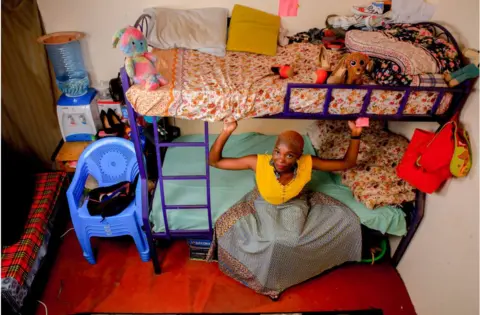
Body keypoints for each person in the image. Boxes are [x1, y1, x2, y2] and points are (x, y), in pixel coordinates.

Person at [206, 120, 364, 300]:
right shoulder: (257, 162)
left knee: (295, 239)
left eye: (289, 155)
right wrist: (227, 131)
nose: (281, 160)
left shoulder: (308, 163)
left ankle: (282, 278)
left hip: (295, 204)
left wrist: (356, 134)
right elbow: (214, 161)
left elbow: (348, 162)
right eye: (277, 152)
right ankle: (266, 282)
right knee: (272, 241)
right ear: (273, 149)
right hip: (264, 203)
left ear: (299, 156)